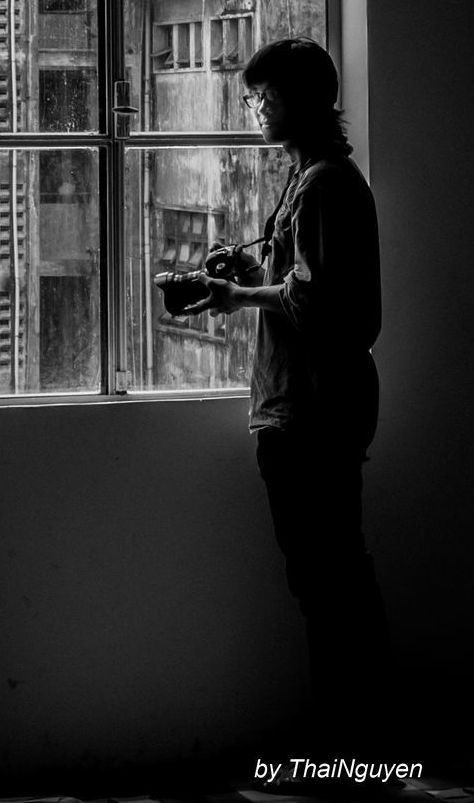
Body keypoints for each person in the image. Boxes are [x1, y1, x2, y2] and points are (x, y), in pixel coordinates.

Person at [185, 38, 392, 758]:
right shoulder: (308, 178)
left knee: (329, 583)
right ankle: (358, 745)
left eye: (262, 99)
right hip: (301, 405)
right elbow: (303, 275)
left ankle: (357, 750)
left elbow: (318, 304)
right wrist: (249, 264)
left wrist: (237, 293)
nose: (254, 111)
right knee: (330, 577)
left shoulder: (326, 183)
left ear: (297, 103)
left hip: (312, 409)